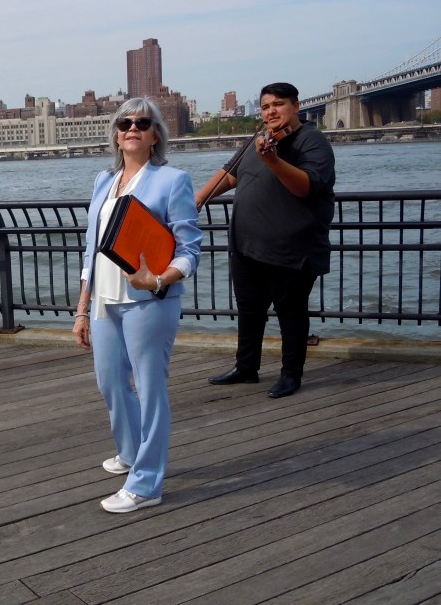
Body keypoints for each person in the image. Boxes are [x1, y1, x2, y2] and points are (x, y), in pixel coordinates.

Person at [73, 97, 202, 513]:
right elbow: (91, 249)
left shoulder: (173, 180)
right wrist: (82, 307)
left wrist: (159, 279)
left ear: (155, 136)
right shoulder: (103, 181)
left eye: (142, 123)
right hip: (104, 301)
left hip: (148, 301)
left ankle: (146, 484)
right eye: (124, 123)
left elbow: (190, 250)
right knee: (110, 382)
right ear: (115, 134)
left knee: (150, 390)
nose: (132, 128)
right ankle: (131, 453)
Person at [195, 82, 335, 399]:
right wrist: (200, 197)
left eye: (279, 104)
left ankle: (291, 374)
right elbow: (231, 172)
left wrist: (273, 160)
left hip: (291, 249)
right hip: (247, 245)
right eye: (266, 106)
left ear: (296, 106)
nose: (271, 111)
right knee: (249, 311)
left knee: (291, 313)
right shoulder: (259, 139)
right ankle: (246, 368)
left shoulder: (312, 141)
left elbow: (306, 186)